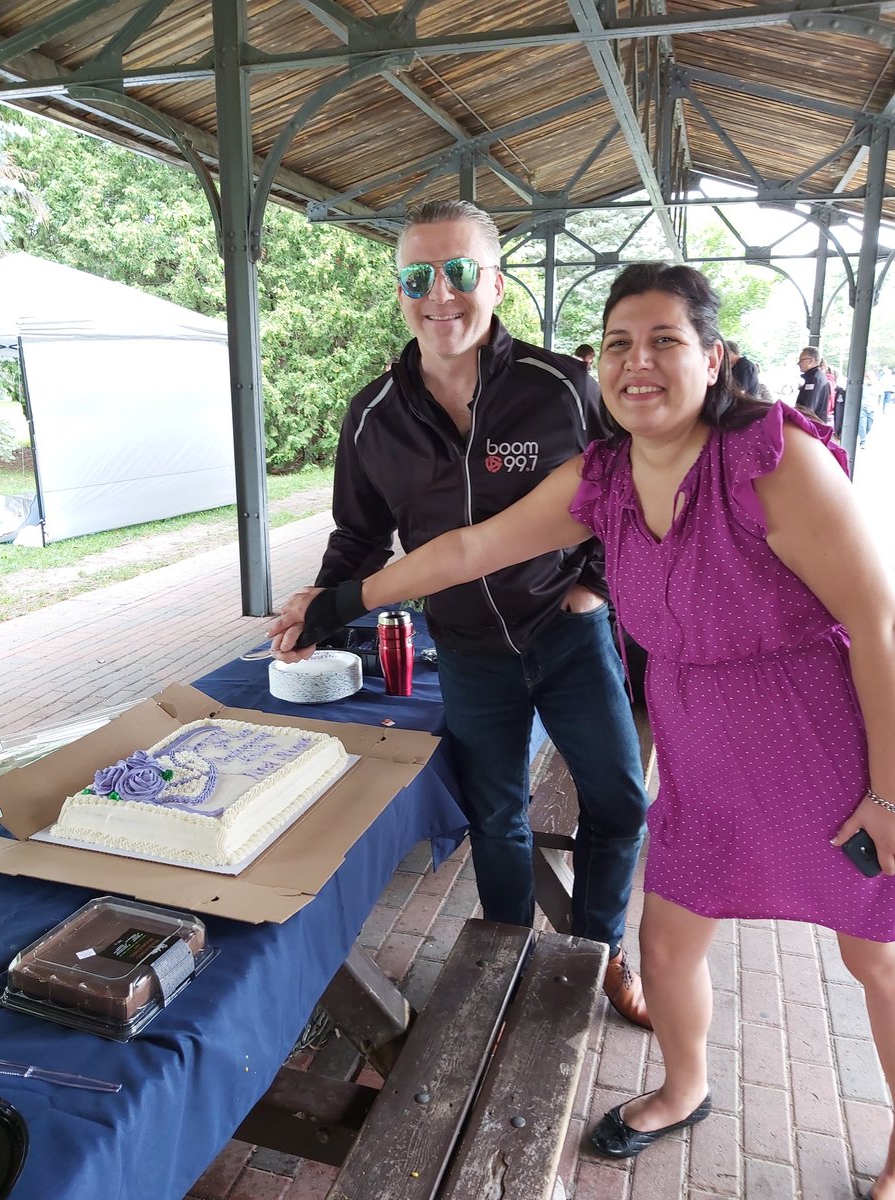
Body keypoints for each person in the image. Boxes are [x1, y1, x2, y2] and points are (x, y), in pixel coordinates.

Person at [270, 261, 895, 1199]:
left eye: (665, 341)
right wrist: (341, 600)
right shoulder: (600, 476)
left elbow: (879, 625)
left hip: (821, 749)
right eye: (618, 344)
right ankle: (686, 1087)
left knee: (873, 957)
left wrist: (888, 793)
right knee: (670, 943)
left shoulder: (771, 458)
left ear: (713, 358)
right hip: (701, 757)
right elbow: (470, 547)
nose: (637, 362)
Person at [270, 198, 651, 1028]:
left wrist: (595, 588)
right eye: (416, 277)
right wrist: (317, 613)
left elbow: (618, 497)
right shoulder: (372, 415)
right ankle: (504, 956)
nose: (439, 294)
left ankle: (600, 953)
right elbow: (360, 536)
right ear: (399, 292)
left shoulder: (561, 386)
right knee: (496, 814)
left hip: (568, 631)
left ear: (496, 282)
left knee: (619, 800)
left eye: (458, 272)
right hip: (470, 650)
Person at [796, 346, 831, 420]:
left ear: (811, 361)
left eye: (801, 360)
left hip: (813, 425)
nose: (798, 363)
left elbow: (808, 409)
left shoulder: (814, 380)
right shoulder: (817, 376)